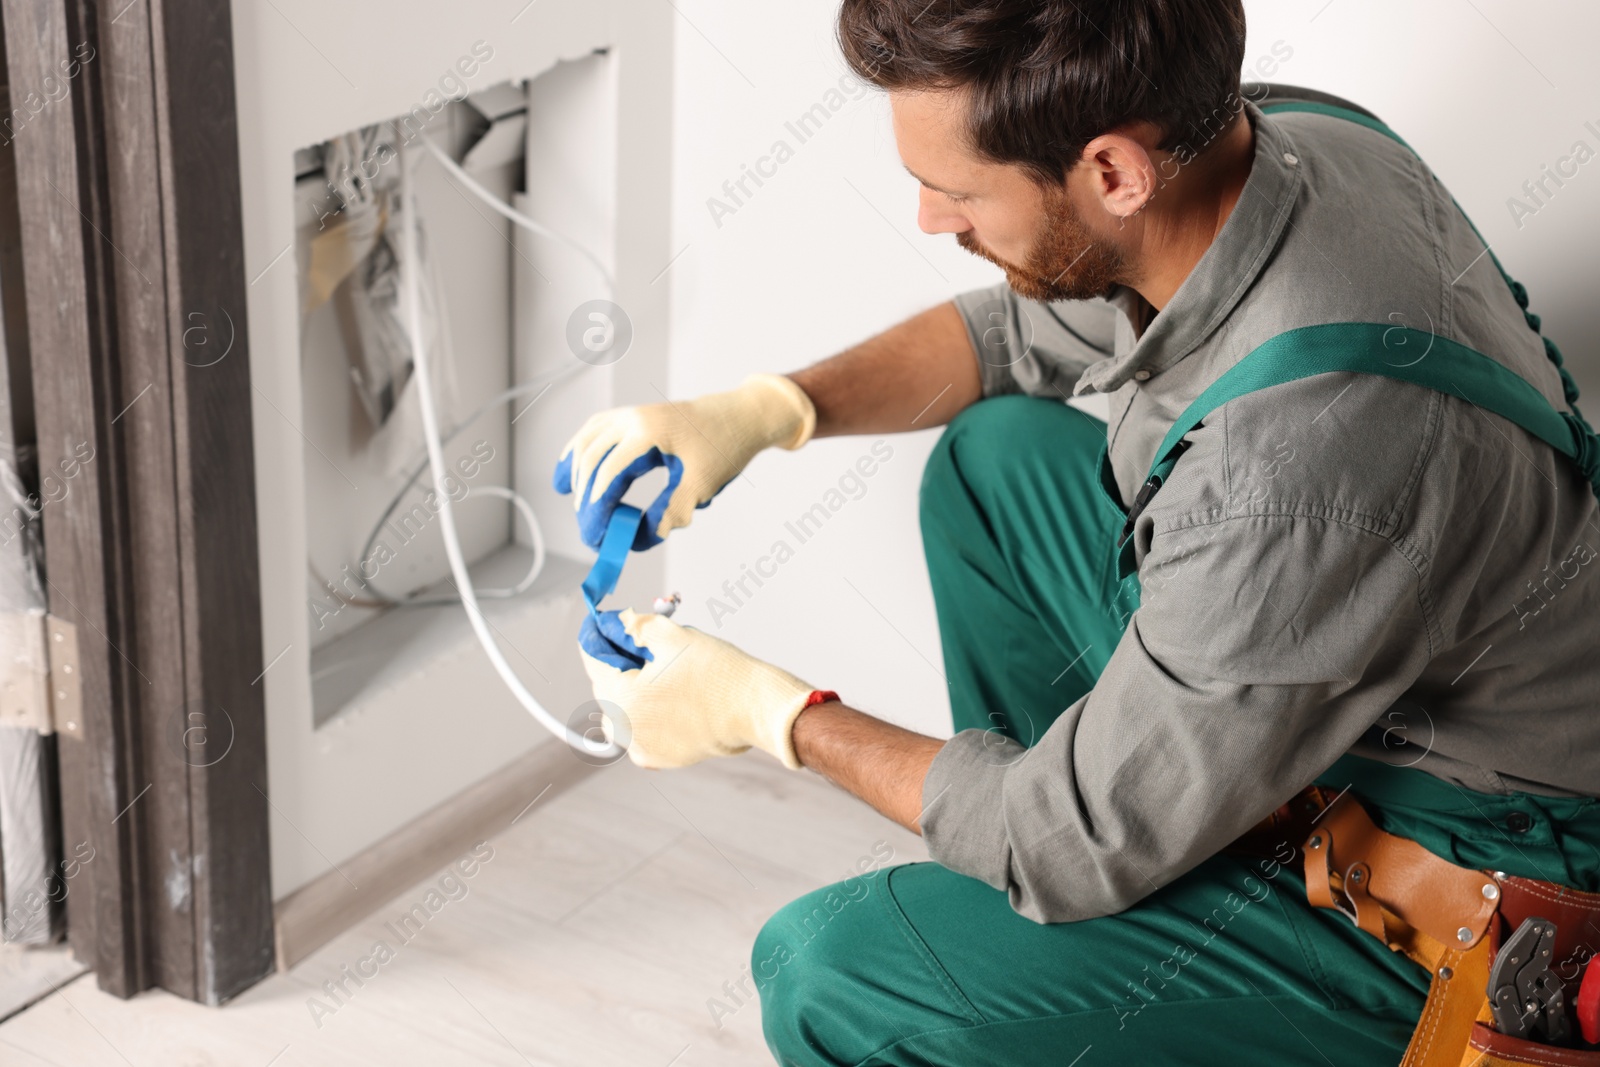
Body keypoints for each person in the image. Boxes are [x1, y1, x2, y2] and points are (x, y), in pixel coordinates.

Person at [555, 1, 1600, 1063]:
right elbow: (1017, 332)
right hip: (1346, 679)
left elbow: (1063, 833)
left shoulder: (1293, 470)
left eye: (955, 189)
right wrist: (771, 408)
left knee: (830, 967)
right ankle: (1090, 936)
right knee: (994, 464)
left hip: (1471, 882)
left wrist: (771, 713)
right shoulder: (1291, 153)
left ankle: (1098, 921)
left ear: (1112, 173)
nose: (928, 216)